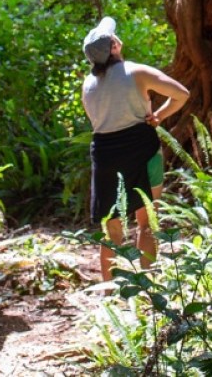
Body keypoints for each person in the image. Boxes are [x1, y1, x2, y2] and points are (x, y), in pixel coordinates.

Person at [81, 16, 190, 282]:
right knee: (147, 222)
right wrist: (159, 115)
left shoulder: (88, 85)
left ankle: (107, 291)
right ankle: (149, 284)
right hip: (142, 151)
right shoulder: (137, 72)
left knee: (112, 229)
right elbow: (182, 94)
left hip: (105, 155)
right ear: (115, 47)